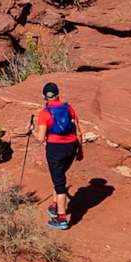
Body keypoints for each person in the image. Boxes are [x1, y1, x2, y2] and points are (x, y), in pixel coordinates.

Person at [34, 80, 86, 229]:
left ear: (45, 97)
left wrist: (31, 130)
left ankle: (61, 218)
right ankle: (54, 204)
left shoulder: (44, 113)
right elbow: (78, 131)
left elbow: (40, 138)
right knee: (59, 176)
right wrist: (80, 151)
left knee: (60, 183)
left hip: (55, 149)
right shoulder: (69, 108)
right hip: (71, 147)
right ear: (58, 94)